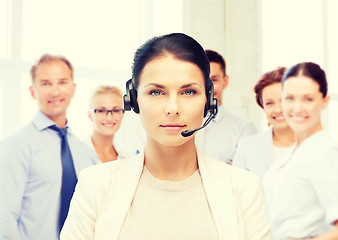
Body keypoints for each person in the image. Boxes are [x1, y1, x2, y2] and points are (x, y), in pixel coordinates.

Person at [60, 33, 271, 239]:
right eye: (156, 92)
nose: (172, 108)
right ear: (133, 100)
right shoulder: (96, 184)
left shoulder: (244, 188)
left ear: (208, 101)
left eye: (188, 92)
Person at [0, 54, 99, 240]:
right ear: (32, 91)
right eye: (45, 83)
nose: (55, 92)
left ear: (73, 88)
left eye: (62, 82)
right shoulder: (15, 146)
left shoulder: (85, 152)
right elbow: (5, 216)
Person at [263, 62, 338, 240]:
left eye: (308, 99)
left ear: (324, 101)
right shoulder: (292, 153)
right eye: (289, 98)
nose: (297, 108)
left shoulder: (325, 152)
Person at [232, 67, 295, 180]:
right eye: (270, 103)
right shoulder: (247, 147)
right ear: (263, 107)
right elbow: (236, 192)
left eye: (284, 100)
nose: (278, 109)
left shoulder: (317, 147)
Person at [195, 49, 257, 164]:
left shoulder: (244, 129)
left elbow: (247, 175)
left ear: (225, 81)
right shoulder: (179, 127)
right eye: (201, 80)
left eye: (214, 80)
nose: (208, 87)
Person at [85, 85, 128, 162]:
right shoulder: (74, 153)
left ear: (122, 114)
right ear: (90, 115)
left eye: (115, 110)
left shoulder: (127, 159)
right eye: (101, 111)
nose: (109, 118)